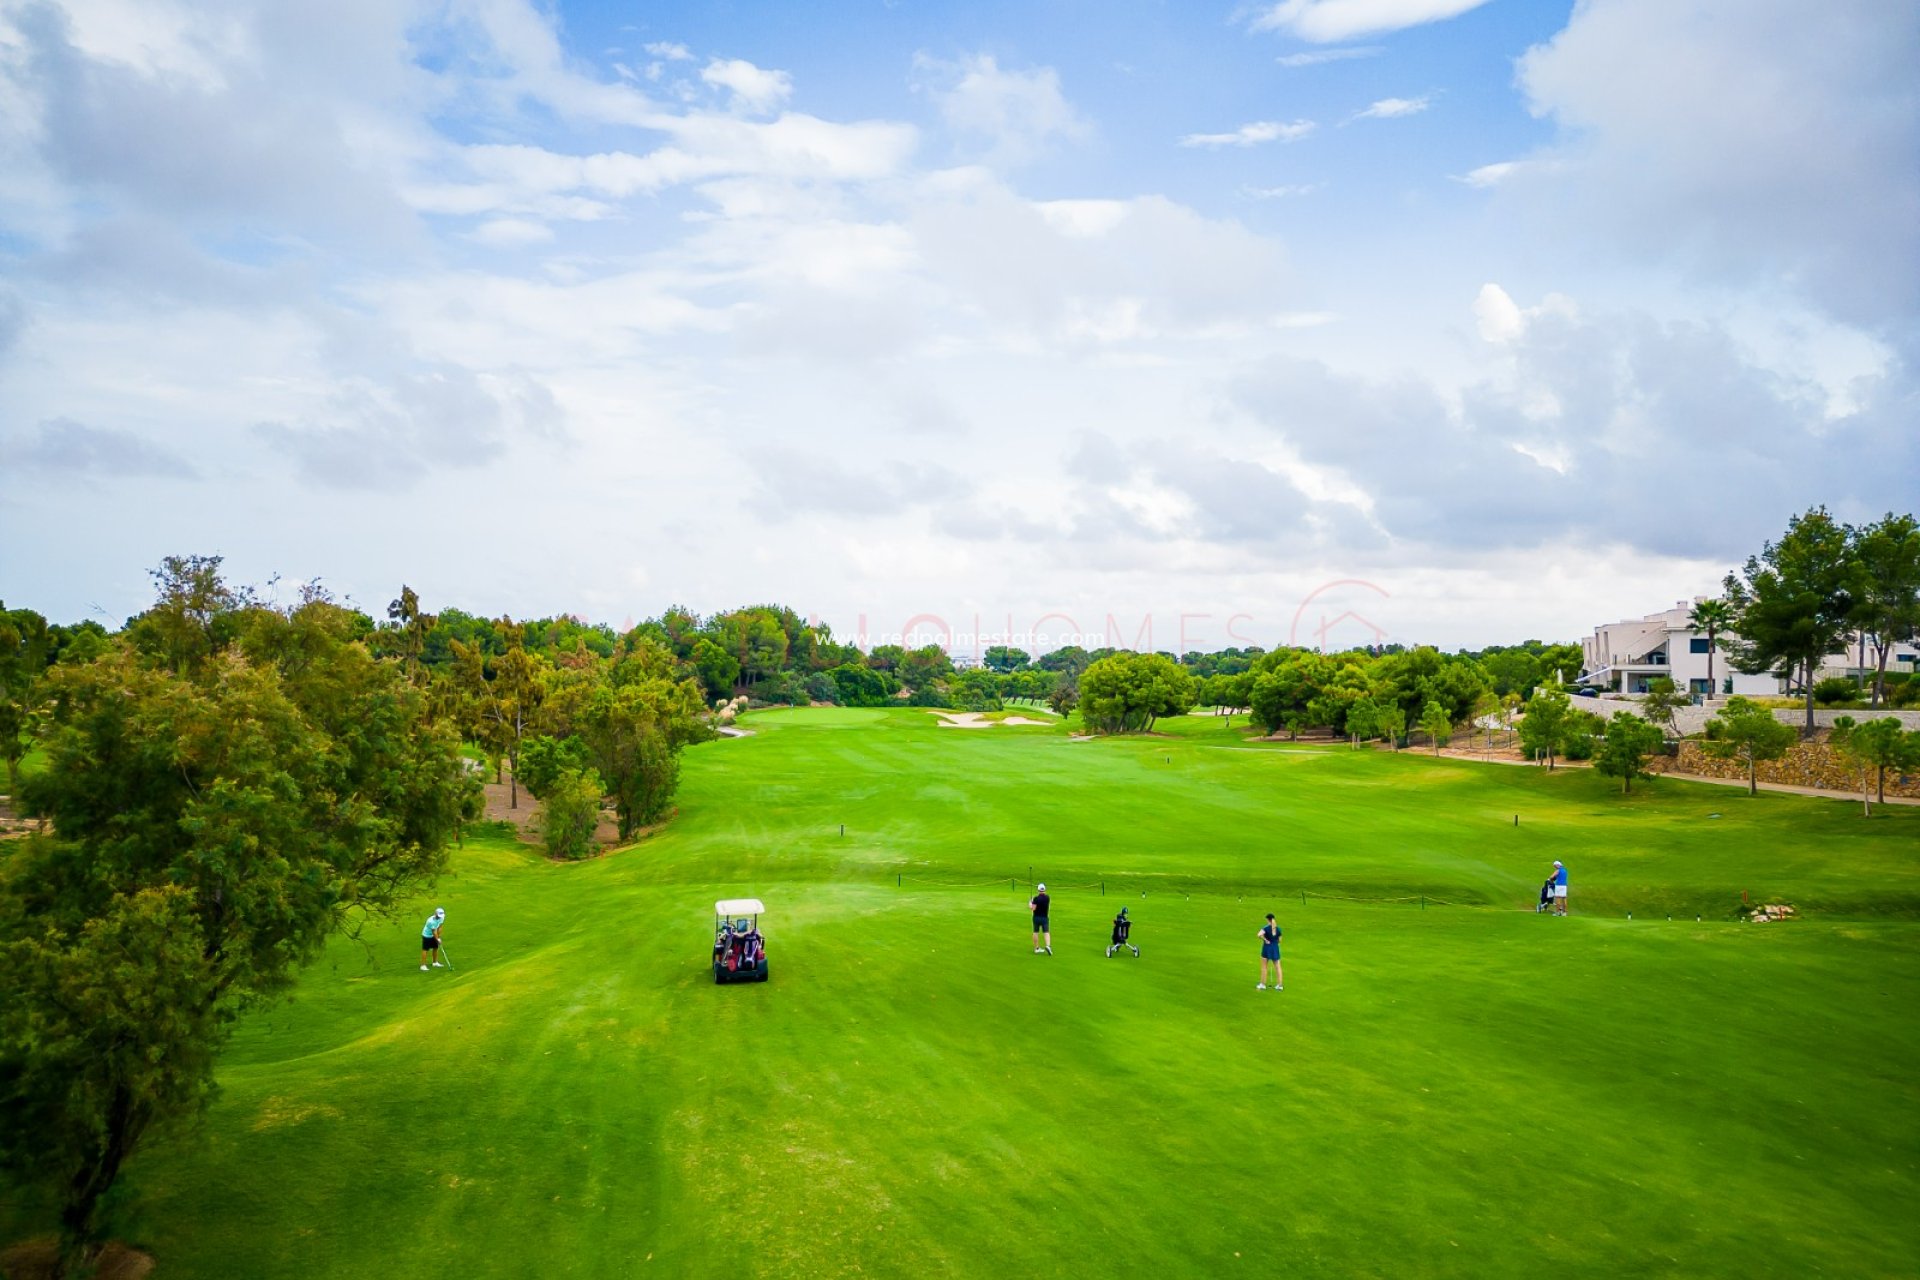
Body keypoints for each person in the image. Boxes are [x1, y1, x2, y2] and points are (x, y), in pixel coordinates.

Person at [1257, 913, 1282, 990]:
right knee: (1278, 967)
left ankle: (1262, 984)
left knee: (1264, 967)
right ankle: (1279, 985)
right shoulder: (1278, 929)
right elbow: (1280, 940)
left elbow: (1259, 935)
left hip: (1267, 948)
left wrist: (1265, 939)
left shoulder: (1266, 928)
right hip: (1275, 948)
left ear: (1267, 919)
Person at [1029, 883, 1052, 955]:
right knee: (1046, 932)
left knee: (1035, 932)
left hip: (1036, 918)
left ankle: (1036, 948)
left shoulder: (1036, 898)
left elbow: (1033, 908)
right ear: (1044, 890)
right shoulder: (1047, 897)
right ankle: (1048, 946)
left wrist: (1030, 902)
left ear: (1038, 890)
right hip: (1044, 918)